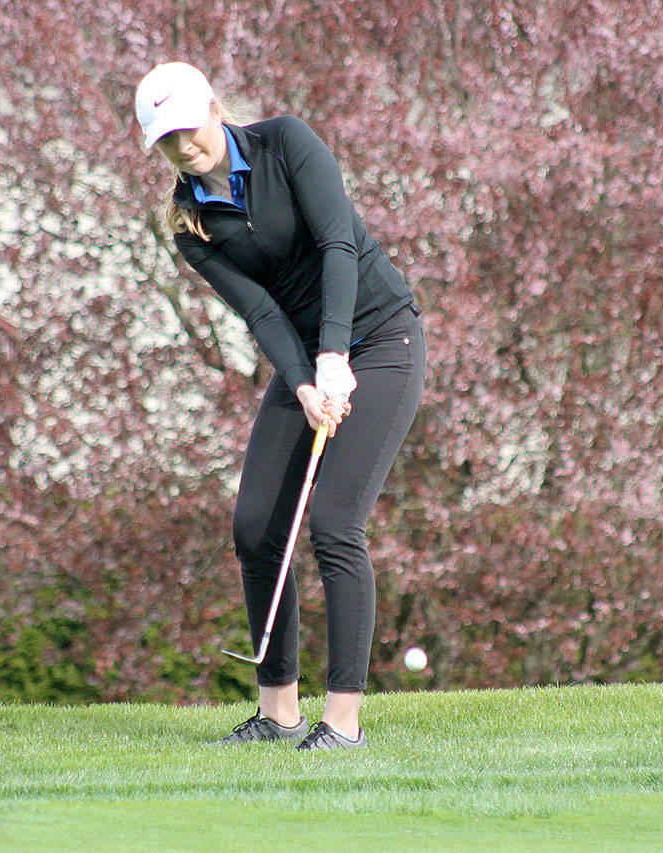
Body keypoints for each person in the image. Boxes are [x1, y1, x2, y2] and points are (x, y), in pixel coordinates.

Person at [134, 61, 426, 751]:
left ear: (213, 106)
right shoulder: (189, 224)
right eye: (164, 140)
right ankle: (279, 712)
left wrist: (334, 354)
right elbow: (260, 311)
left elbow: (338, 242)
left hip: (382, 336)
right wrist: (302, 381)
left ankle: (344, 723)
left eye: (186, 127)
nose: (181, 146)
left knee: (332, 521)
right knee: (257, 524)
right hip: (304, 355)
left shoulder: (286, 142)